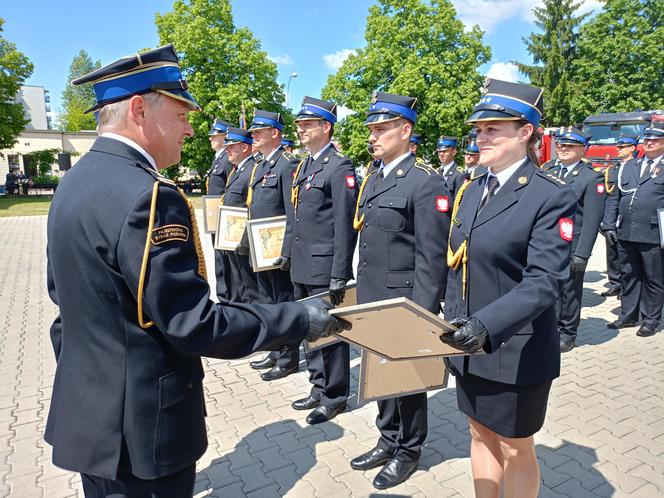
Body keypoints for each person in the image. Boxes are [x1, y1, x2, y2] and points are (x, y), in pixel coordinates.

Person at [45, 45, 346, 498]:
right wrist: (299, 318)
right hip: (145, 425)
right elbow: (193, 323)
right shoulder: (149, 196)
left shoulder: (74, 181)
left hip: (91, 418)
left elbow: (61, 298)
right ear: (139, 109)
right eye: (182, 112)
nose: (191, 127)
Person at [441, 78, 577, 498]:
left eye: (493, 129)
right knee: (479, 434)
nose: (481, 137)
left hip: (514, 347)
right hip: (467, 344)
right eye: (478, 130)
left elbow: (545, 281)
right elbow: (456, 263)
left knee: (516, 448)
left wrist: (485, 324)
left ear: (526, 132)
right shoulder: (473, 188)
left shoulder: (550, 195)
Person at [349, 92, 450, 489]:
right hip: (374, 298)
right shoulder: (376, 177)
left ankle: (408, 449)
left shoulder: (425, 182)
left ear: (405, 131)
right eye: (371, 129)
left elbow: (431, 255)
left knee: (407, 379)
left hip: (405, 301)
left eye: (381, 129)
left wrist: (422, 316)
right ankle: (387, 437)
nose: (372, 137)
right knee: (380, 374)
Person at [285, 97, 358, 425]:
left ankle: (335, 396)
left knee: (329, 334)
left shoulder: (338, 166)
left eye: (307, 125)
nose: (300, 130)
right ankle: (318, 386)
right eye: (299, 125)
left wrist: (340, 272)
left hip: (324, 267)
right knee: (310, 331)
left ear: (325, 127)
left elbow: (345, 225)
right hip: (302, 263)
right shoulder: (305, 166)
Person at [244, 110, 301, 381]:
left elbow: (291, 212)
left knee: (283, 302)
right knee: (268, 301)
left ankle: (289, 357)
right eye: (253, 132)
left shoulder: (286, 164)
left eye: (259, 131)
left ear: (275, 133)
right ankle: (276, 349)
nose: (253, 135)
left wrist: (286, 251)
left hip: (276, 249)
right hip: (261, 247)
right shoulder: (263, 165)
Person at [543, 128, 605, 352]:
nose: (563, 149)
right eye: (560, 145)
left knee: (569, 291)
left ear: (582, 149)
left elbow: (591, 219)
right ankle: (550, 327)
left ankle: (568, 332)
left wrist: (583, 253)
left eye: (569, 146)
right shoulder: (548, 169)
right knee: (548, 287)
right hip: (547, 242)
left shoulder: (591, 177)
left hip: (572, 244)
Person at [604, 123, 664, 337]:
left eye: (655, 140)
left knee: (653, 278)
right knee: (628, 274)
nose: (649, 143)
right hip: (626, 231)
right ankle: (629, 315)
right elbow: (615, 198)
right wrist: (609, 224)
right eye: (646, 140)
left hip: (653, 233)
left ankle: (650, 319)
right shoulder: (629, 166)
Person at [220, 127, 261, 303]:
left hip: (243, 240)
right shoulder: (237, 171)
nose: (227, 150)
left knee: (248, 290)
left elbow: (252, 206)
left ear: (245, 147)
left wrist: (243, 241)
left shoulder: (252, 169)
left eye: (232, 146)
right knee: (236, 286)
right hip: (231, 239)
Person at [600, 136, 638, 297]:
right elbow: (610, 198)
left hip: (630, 217)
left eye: (623, 147)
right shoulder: (612, 170)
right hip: (614, 216)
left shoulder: (638, 167)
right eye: (618, 147)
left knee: (628, 256)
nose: (619, 149)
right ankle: (615, 282)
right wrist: (607, 223)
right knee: (612, 252)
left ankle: (628, 284)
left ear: (632, 148)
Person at [206, 118, 233, 301]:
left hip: (224, 218)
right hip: (215, 217)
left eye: (215, 135)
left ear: (225, 137)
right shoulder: (219, 160)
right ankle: (223, 296)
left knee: (224, 261)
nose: (211, 139)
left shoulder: (227, 159)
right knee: (218, 259)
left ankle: (227, 298)